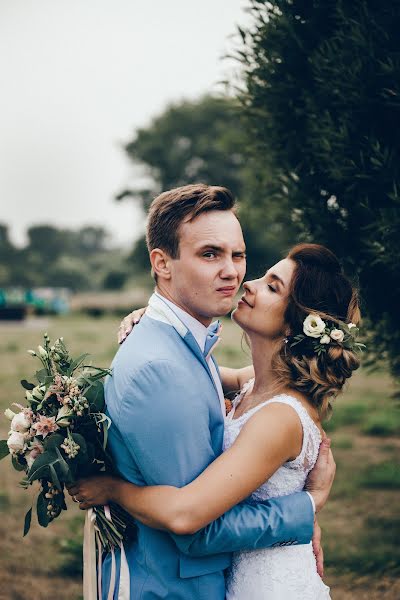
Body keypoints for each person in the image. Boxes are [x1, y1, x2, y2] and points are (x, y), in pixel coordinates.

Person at [68, 184, 336, 599]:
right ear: (162, 263)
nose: (236, 275)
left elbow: (192, 516)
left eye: (238, 255)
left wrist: (309, 507)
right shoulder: (173, 364)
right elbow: (194, 525)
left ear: (294, 325)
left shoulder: (211, 360)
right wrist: (306, 507)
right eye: (211, 254)